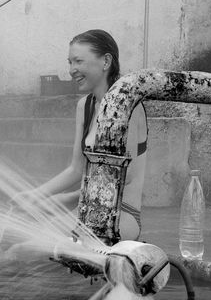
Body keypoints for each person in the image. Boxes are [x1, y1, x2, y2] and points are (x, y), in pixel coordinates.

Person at [12, 29, 148, 242]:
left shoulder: (127, 103)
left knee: (29, 248)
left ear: (106, 61)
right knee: (20, 235)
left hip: (122, 215)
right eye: (70, 62)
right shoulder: (84, 106)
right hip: (87, 208)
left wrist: (69, 198)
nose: (72, 70)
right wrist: (35, 195)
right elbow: (76, 169)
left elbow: (125, 176)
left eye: (78, 61)